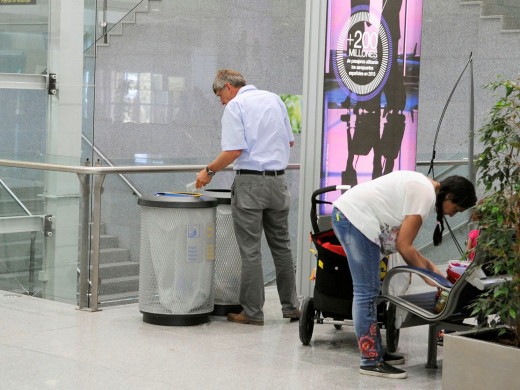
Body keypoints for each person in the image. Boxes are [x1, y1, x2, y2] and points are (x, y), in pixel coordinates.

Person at [331, 171, 476, 379]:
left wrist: (431, 267)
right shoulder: (425, 195)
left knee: (369, 291)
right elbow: (403, 245)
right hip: (354, 220)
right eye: (456, 209)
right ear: (449, 197)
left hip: (350, 217)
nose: (453, 215)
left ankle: (376, 352)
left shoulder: (423, 186)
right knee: (366, 293)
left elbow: (407, 245)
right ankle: (370, 361)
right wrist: (427, 275)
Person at [195, 69, 300, 326]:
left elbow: (233, 151)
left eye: (220, 95)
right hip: (278, 182)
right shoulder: (274, 99)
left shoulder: (235, 106)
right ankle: (291, 307)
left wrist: (208, 171)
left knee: (250, 251)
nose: (222, 102)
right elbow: (289, 143)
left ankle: (253, 313)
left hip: (251, 183)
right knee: (282, 247)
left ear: (229, 87)